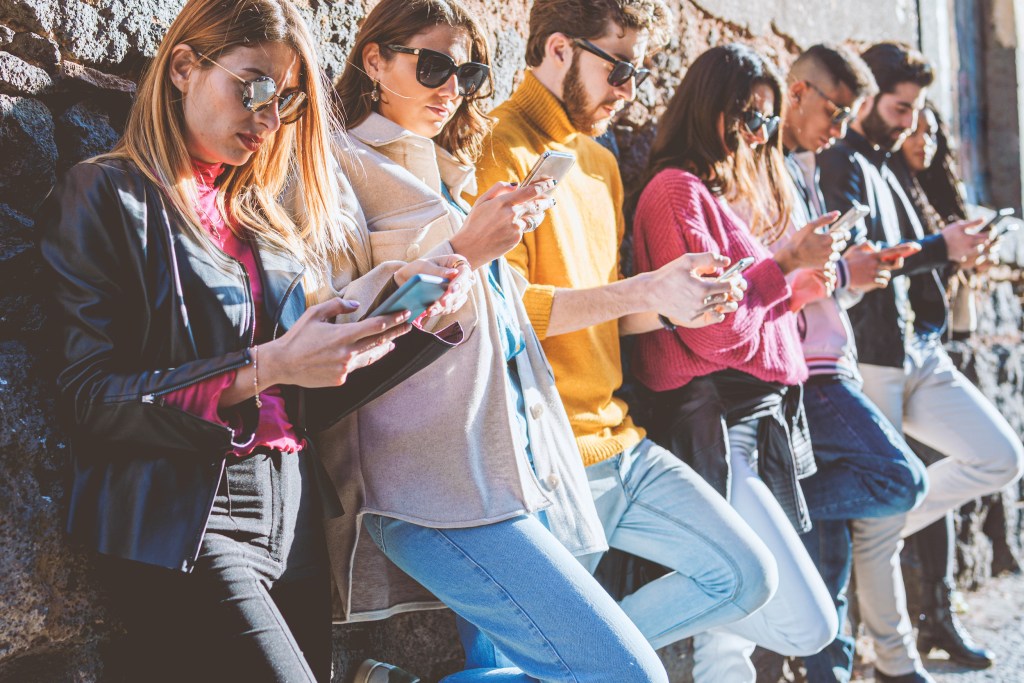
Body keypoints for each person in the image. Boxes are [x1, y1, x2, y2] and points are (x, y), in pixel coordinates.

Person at [37, 1, 458, 681]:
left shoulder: (262, 217)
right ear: (183, 67)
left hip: (292, 512)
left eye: (286, 100)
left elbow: (302, 380)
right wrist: (268, 364)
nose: (268, 118)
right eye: (254, 86)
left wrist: (396, 320)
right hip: (190, 514)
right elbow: (91, 396)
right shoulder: (107, 193)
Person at [316, 0, 671, 680]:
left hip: (509, 469)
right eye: (433, 66)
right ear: (374, 60)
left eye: (469, 74)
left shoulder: (451, 173)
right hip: (425, 485)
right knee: (628, 673)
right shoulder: (338, 169)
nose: (452, 88)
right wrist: (465, 252)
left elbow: (507, 330)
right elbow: (337, 334)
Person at [472, 0, 782, 658]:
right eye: (620, 69)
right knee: (540, 658)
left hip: (620, 442)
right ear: (559, 49)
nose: (629, 90)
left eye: (638, 73)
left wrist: (676, 305)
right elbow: (507, 310)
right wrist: (645, 289)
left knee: (747, 576)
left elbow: (604, 309)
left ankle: (584, 653)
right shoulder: (496, 144)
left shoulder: (601, 163)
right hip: (541, 458)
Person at [630, 42, 841, 682]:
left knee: (727, 646)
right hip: (717, 425)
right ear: (710, 109)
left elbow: (742, 315)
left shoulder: (709, 195)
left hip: (749, 421)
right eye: (750, 116)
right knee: (808, 623)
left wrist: (791, 287)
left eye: (768, 120)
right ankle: (577, 640)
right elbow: (716, 333)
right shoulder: (675, 192)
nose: (760, 133)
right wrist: (785, 266)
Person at [817, 42, 1024, 683]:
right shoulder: (840, 161)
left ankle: (874, 531)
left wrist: (954, 249)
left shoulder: (887, 166)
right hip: (873, 356)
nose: (910, 123)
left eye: (917, 111)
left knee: (1001, 457)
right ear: (869, 99)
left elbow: (914, 250)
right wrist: (942, 246)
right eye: (900, 108)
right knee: (882, 527)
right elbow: (859, 258)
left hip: (921, 349)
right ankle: (894, 662)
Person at [776, 45, 930, 683]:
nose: (840, 130)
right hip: (807, 369)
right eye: (835, 112)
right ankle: (783, 506)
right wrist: (841, 271)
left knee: (830, 562)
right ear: (798, 92)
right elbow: (767, 275)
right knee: (901, 479)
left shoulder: (810, 168)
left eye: (849, 116)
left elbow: (814, 281)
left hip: (832, 351)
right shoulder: (771, 169)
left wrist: (853, 274)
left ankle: (828, 673)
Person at [893, 102, 1002, 670]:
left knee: (941, 485)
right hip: (900, 353)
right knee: (914, 481)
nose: (924, 139)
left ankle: (938, 613)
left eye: (933, 130)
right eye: (915, 127)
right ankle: (923, 616)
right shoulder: (888, 183)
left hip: (942, 346)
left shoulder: (931, 191)